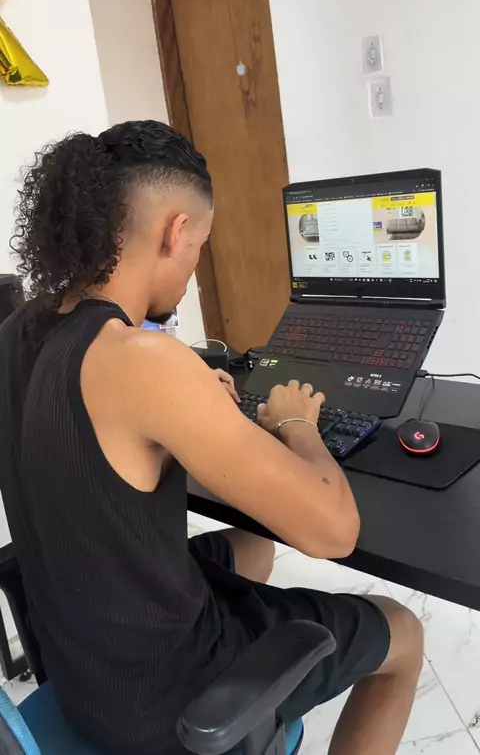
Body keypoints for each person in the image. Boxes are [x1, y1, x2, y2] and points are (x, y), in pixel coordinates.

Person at [0, 121, 422, 755]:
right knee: (404, 632)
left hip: (81, 665)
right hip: (163, 705)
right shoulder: (140, 361)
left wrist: (190, 409)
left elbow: (84, 447)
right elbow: (335, 534)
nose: (194, 263)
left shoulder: (16, 332)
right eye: (199, 244)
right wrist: (297, 425)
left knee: (253, 546)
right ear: (175, 232)